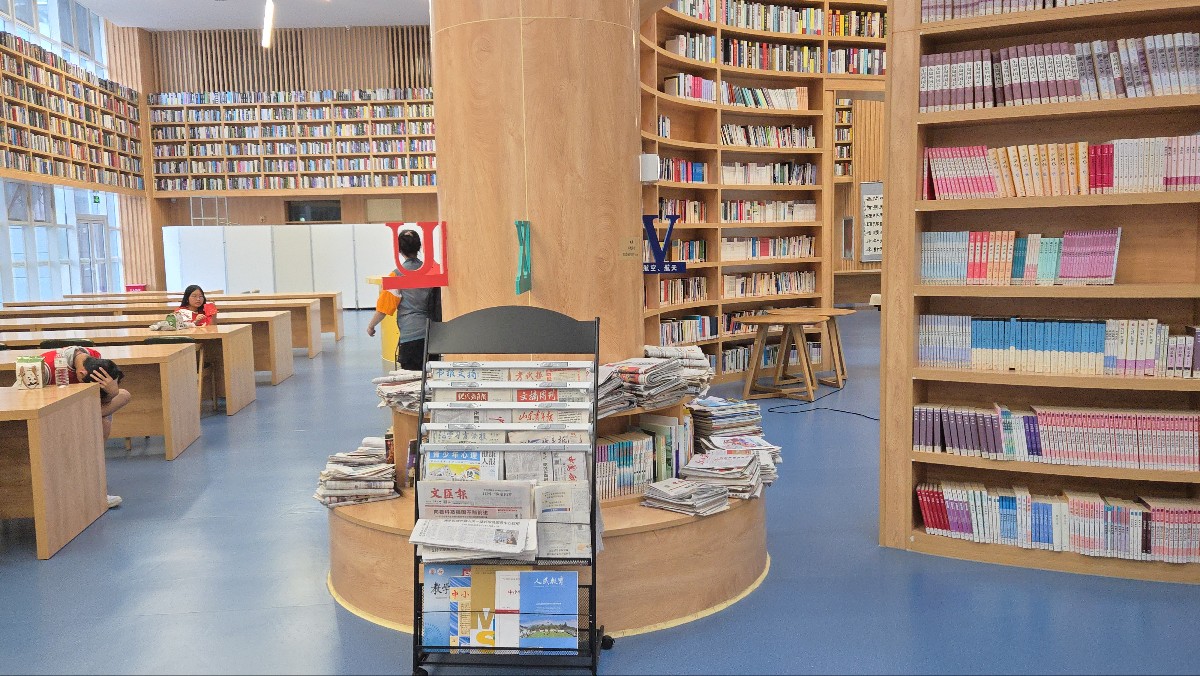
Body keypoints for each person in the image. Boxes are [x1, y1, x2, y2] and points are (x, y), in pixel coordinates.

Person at [40, 346, 131, 509]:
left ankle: (95, 486)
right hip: (51, 414)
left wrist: (112, 393)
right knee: (102, 422)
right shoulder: (46, 366)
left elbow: (100, 397)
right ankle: (92, 488)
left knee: (122, 396)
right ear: (81, 373)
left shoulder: (94, 357)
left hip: (81, 408)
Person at [366, 230, 442, 371]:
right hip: (433, 335)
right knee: (430, 377)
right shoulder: (433, 271)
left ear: (399, 250)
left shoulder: (396, 275)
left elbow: (383, 309)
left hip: (410, 336)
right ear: (419, 247)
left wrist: (371, 326)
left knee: (410, 379)